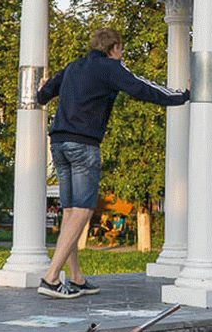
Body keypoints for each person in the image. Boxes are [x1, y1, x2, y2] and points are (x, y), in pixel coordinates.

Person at [35, 28, 190, 299]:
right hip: (83, 144)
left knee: (71, 212)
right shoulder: (111, 67)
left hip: (59, 144)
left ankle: (76, 278)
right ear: (115, 48)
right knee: (82, 212)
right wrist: (183, 95)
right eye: (121, 49)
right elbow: (143, 88)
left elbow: (43, 95)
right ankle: (50, 278)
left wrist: (41, 89)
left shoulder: (73, 67)